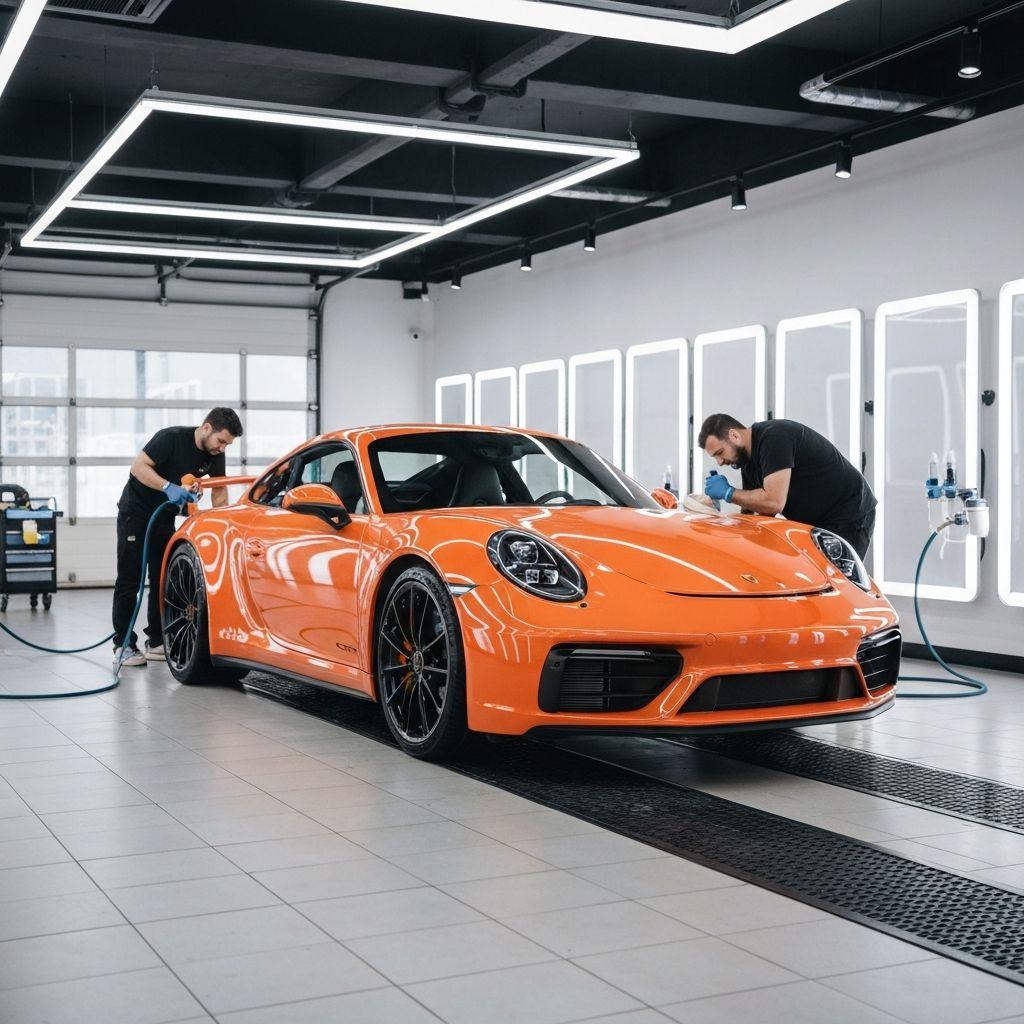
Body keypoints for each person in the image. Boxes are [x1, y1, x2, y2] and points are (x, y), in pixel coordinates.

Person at [112, 407, 243, 667]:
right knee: (131, 578)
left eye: (228, 444)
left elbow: (219, 492)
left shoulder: (214, 454)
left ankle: (157, 641)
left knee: (162, 578)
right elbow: (138, 467)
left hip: (164, 516)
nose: (222, 448)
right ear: (207, 428)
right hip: (135, 514)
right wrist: (167, 486)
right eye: (221, 441)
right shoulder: (170, 438)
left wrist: (221, 526)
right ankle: (123, 644)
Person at [698, 413, 876, 558]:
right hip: (816, 521)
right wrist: (716, 517)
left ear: (734, 435)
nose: (720, 462)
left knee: (835, 583)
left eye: (720, 453)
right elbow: (757, 513)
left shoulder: (774, 437)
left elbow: (773, 502)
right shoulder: (749, 464)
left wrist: (729, 492)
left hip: (848, 513)